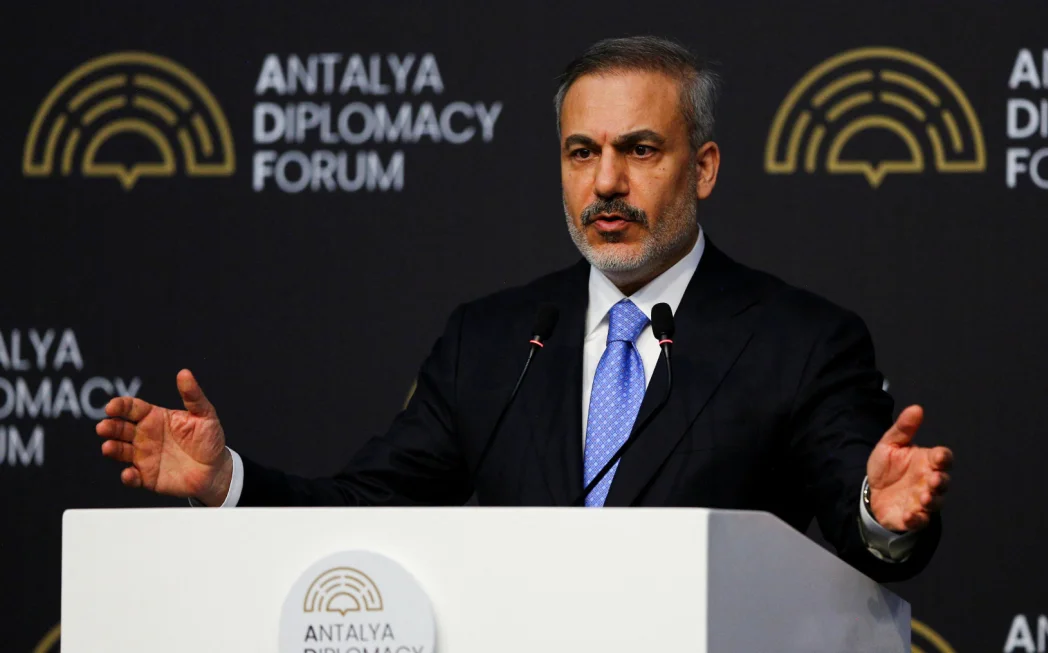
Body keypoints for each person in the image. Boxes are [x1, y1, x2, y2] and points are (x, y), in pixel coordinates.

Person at [95, 36, 951, 582]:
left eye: (639, 150)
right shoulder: (495, 339)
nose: (606, 181)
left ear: (705, 168)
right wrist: (229, 482)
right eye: (583, 152)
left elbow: (862, 528)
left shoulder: (801, 341)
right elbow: (371, 504)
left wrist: (879, 512)